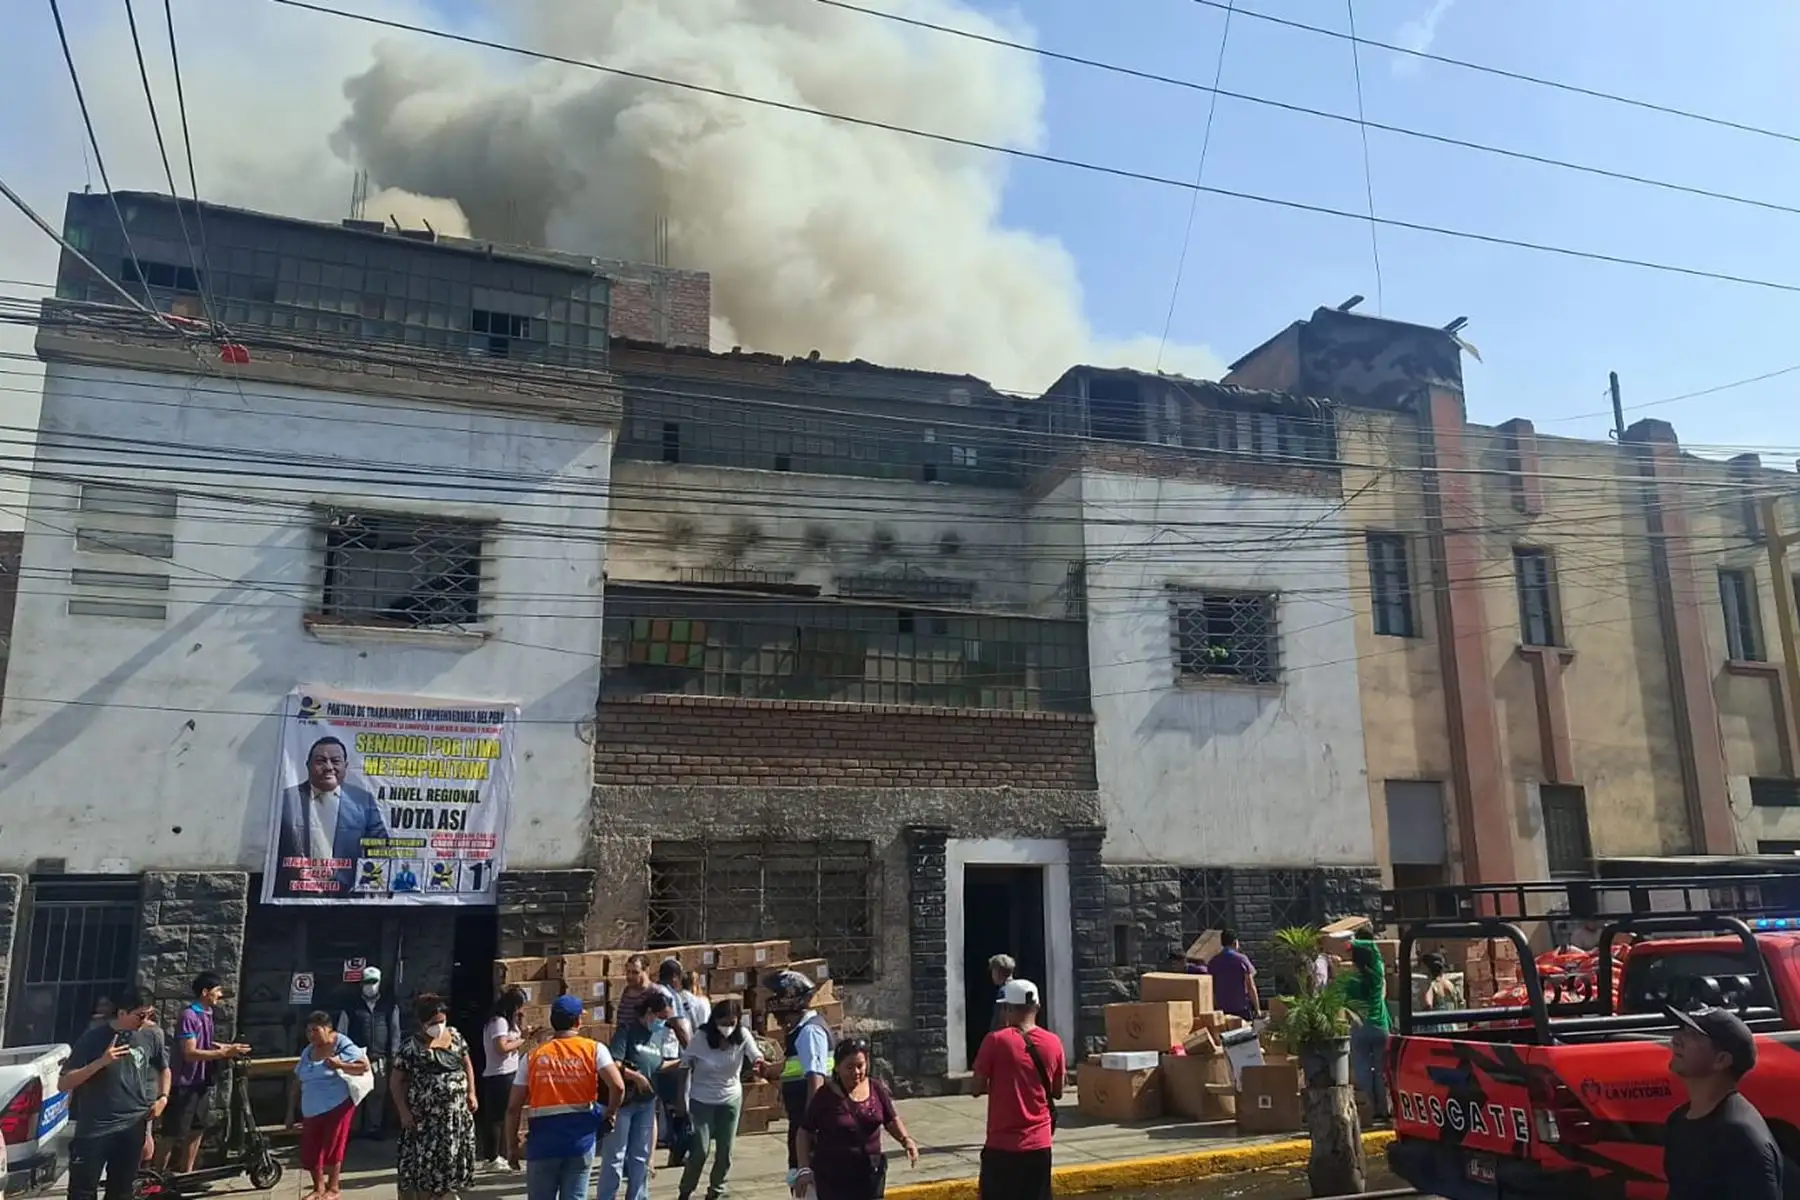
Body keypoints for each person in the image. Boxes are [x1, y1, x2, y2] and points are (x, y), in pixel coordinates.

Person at [506, 994, 625, 1200]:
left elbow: (513, 1108)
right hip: (580, 1142)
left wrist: (512, 1147)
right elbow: (618, 1086)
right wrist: (609, 1114)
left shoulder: (533, 1056)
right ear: (578, 1021)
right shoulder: (594, 1049)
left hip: (542, 1144)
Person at [58, 987, 169, 1200]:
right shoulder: (94, 1039)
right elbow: (64, 1083)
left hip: (132, 1125)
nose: (145, 1021)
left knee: (122, 1191)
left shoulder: (152, 1035)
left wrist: (163, 1098)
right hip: (96, 1128)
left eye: (150, 1015)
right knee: (82, 1192)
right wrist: (102, 1062)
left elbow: (164, 1069)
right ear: (122, 1013)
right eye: (141, 1015)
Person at [1662, 1005, 1782, 1199]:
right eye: (1681, 1030)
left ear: (1721, 1060)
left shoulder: (1739, 1137)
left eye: (1693, 1034)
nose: (1676, 1040)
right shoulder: (1678, 1121)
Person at [971, 980, 1064, 1200]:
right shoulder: (1054, 1043)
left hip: (1002, 1146)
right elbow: (1057, 1091)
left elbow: (976, 1088)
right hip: (1039, 1145)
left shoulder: (994, 1041)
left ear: (1007, 1009)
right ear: (1038, 1007)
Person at [793, 1038, 917, 1200]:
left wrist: (905, 1140)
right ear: (837, 1068)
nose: (856, 1072)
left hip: (870, 1174)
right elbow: (804, 1131)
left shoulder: (876, 1088)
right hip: (834, 1178)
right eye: (849, 1067)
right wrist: (804, 1168)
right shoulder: (825, 1095)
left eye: (860, 1066)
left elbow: (890, 1119)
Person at [678, 999, 776, 1200]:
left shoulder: (742, 1036)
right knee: (700, 1151)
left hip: (730, 1099)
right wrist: (681, 1099)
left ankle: (716, 1191)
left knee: (725, 1151)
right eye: (724, 1023)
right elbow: (684, 1066)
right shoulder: (701, 1038)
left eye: (732, 1023)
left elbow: (755, 1054)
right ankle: (686, 1190)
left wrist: (759, 1062)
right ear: (715, 1020)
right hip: (701, 1100)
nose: (728, 1028)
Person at [157, 971, 252, 1174]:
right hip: (184, 1083)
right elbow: (189, 1053)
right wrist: (224, 1052)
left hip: (201, 1081)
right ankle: (155, 1177)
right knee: (173, 1132)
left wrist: (229, 1047)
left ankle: (186, 1173)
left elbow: (205, 1044)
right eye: (217, 991)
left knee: (197, 1128)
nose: (219, 995)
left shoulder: (207, 1014)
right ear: (205, 992)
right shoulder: (189, 1015)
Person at [274, 735, 391, 896]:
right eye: (320, 761)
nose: (328, 767)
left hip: (347, 900)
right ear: (308, 765)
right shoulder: (287, 799)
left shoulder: (362, 800)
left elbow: (380, 848)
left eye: (335, 761)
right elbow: (273, 848)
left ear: (346, 766)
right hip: (296, 898)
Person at [390, 993, 478, 1200]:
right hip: (425, 1121)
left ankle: (446, 1192)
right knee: (424, 1169)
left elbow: (467, 1065)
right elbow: (395, 1082)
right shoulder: (410, 1048)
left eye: (442, 1020)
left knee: (450, 1161)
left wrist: (471, 1093)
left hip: (454, 1117)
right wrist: (403, 1112)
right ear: (422, 1023)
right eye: (433, 1022)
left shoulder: (455, 1037)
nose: (439, 1025)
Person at [598, 988, 674, 1200]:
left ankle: (638, 1196)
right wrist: (637, 1077)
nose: (663, 1023)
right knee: (615, 1155)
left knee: (640, 1155)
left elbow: (657, 1064)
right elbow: (614, 1064)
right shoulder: (627, 1031)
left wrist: (683, 1062)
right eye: (661, 1018)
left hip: (647, 1102)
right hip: (625, 1103)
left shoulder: (657, 1034)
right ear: (649, 1012)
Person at [287, 1011, 369, 1200]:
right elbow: (297, 1082)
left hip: (337, 1106)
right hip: (311, 1109)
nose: (311, 1035)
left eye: (315, 1030)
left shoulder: (341, 1043)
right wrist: (290, 1112)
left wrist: (340, 1065)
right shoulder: (308, 1051)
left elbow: (363, 1066)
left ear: (328, 1028)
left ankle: (333, 1188)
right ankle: (318, 1188)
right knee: (311, 1150)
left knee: (332, 1146)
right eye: (308, 1031)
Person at [770, 970, 834, 1171]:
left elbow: (816, 1079)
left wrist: (810, 1127)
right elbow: (795, 1069)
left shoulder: (809, 1032)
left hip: (807, 1123)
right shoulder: (800, 1030)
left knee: (805, 1179)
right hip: (800, 1119)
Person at [338, 966, 402, 1138]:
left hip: (378, 1057)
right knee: (354, 1093)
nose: (370, 986)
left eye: (373, 982)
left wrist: (395, 1054)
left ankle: (374, 1128)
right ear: (361, 984)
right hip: (355, 1058)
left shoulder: (388, 1006)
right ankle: (352, 1129)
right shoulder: (350, 1006)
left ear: (379, 983)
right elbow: (341, 1032)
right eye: (367, 982)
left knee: (378, 1094)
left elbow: (395, 1031)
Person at [479, 986, 530, 1169]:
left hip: (510, 1071)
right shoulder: (498, 1022)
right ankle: (492, 1156)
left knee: (505, 1114)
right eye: (519, 1007)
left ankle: (502, 1153)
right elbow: (501, 1047)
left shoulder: (509, 1022)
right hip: (499, 1073)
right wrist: (522, 1040)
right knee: (498, 1117)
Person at [1344, 937, 1391, 1121]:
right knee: (1382, 1070)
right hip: (1380, 1026)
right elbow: (1374, 948)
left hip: (1360, 1027)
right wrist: (1353, 942)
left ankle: (1369, 1108)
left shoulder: (1350, 980)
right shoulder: (1377, 974)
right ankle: (1384, 1108)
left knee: (1362, 1068)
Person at [656, 958, 696, 1168]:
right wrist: (692, 1053)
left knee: (668, 1107)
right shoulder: (668, 995)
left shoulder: (657, 992)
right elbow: (679, 1026)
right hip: (669, 1056)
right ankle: (680, 1149)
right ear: (674, 977)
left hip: (660, 1055)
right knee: (677, 1106)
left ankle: (676, 1149)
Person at [1204, 931, 1260, 1021]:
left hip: (1222, 1009)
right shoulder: (1241, 959)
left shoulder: (1213, 961)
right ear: (1235, 942)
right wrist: (1257, 1009)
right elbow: (1250, 986)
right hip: (1241, 1007)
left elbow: (1211, 987)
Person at [987, 955, 1016, 1033]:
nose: (992, 976)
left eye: (993, 971)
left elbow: (999, 1020)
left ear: (997, 971)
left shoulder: (1003, 991)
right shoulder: (1017, 988)